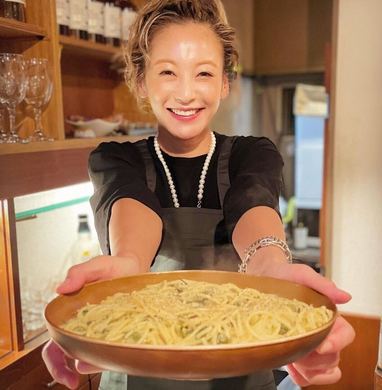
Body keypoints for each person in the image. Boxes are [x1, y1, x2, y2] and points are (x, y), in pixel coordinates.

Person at [42, 0, 355, 389]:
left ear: (224, 81)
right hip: (135, 363)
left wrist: (268, 266)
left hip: (243, 366)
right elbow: (131, 206)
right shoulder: (115, 158)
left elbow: (252, 203)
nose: (187, 93)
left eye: (204, 73)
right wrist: (128, 261)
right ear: (141, 81)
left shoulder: (251, 153)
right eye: (168, 72)